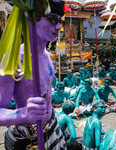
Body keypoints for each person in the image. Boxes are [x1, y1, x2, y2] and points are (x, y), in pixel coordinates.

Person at [2, 1, 70, 149]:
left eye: (60, 21)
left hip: (52, 128)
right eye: (52, 19)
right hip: (28, 137)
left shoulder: (47, 56)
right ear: (33, 18)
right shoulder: (14, 60)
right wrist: (23, 114)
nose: (58, 27)